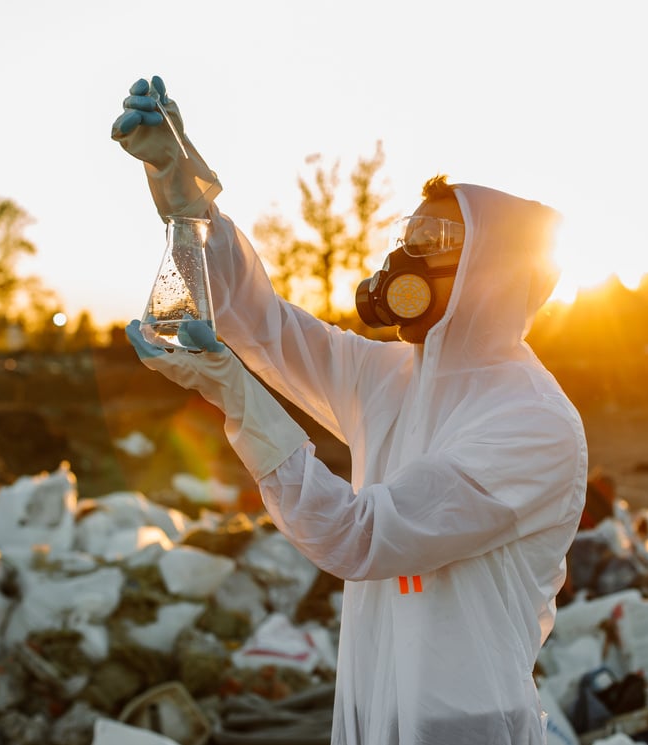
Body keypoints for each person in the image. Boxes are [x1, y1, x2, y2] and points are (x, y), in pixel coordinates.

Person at [113, 75, 588, 745]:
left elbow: (358, 536)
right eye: (409, 231)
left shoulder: (532, 423)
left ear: (493, 273)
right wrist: (186, 198)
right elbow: (261, 322)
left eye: (434, 240)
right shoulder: (394, 376)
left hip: (470, 727)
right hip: (371, 708)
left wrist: (236, 394)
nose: (402, 257)